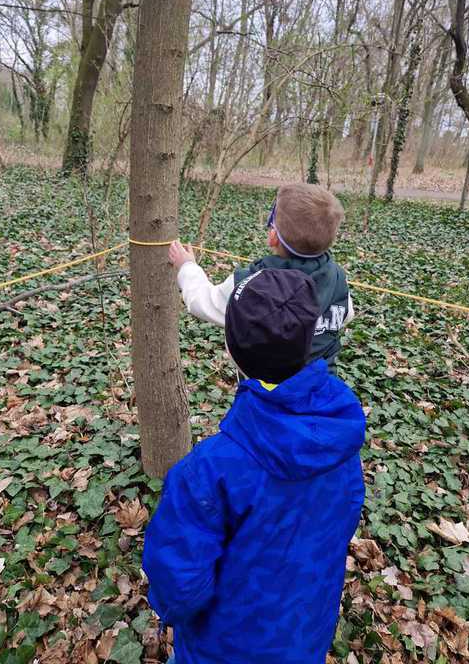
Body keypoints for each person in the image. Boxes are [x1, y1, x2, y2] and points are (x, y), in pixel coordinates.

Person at [142, 269, 366, 664]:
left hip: (222, 649)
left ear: (230, 350)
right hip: (305, 634)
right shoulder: (340, 432)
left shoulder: (208, 471)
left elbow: (179, 587)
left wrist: (172, 615)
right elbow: (344, 516)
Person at [168, 183, 353, 371]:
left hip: (267, 387)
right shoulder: (337, 276)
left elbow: (203, 302)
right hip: (322, 383)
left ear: (273, 236)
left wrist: (187, 266)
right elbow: (347, 313)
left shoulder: (250, 283)